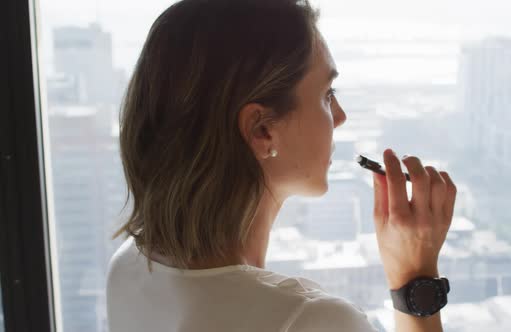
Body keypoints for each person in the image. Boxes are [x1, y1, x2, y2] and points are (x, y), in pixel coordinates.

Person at [106, 0, 457, 331]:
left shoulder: (128, 268)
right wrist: (415, 281)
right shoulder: (312, 321)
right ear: (262, 131)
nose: (341, 116)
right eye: (327, 95)